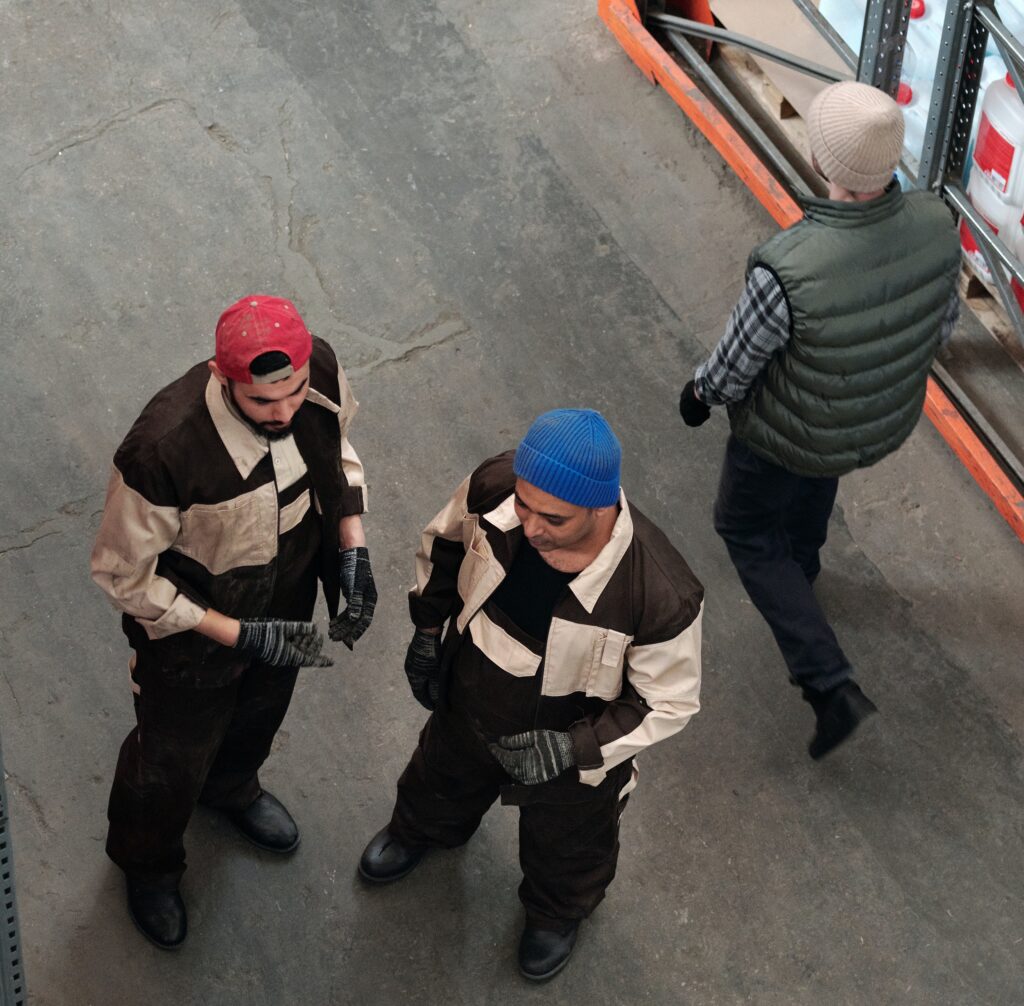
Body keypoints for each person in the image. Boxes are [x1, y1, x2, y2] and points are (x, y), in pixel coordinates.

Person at [358, 409, 703, 981]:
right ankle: (420, 830)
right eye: (524, 504)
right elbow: (444, 545)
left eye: (554, 518)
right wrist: (426, 631)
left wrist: (573, 749)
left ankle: (555, 912)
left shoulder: (658, 593)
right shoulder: (496, 486)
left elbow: (667, 702)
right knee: (439, 777)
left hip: (571, 752)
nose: (531, 526)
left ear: (602, 507)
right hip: (470, 697)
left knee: (569, 842)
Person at [678, 80, 961, 760]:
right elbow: (941, 323)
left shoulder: (791, 267)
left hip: (784, 431)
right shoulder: (936, 224)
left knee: (744, 526)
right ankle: (802, 562)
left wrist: (700, 395)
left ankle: (827, 682)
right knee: (817, 473)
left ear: (824, 164)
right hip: (872, 417)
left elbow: (737, 361)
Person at [91, 294, 377, 949]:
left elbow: (339, 450)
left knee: (260, 711)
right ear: (224, 378)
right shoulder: (161, 452)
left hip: (290, 586)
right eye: (262, 403)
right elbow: (121, 574)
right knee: (169, 759)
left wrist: (352, 543)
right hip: (193, 630)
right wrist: (236, 634)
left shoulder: (320, 374)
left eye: (294, 394)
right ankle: (148, 864)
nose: (283, 413)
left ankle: (231, 788)